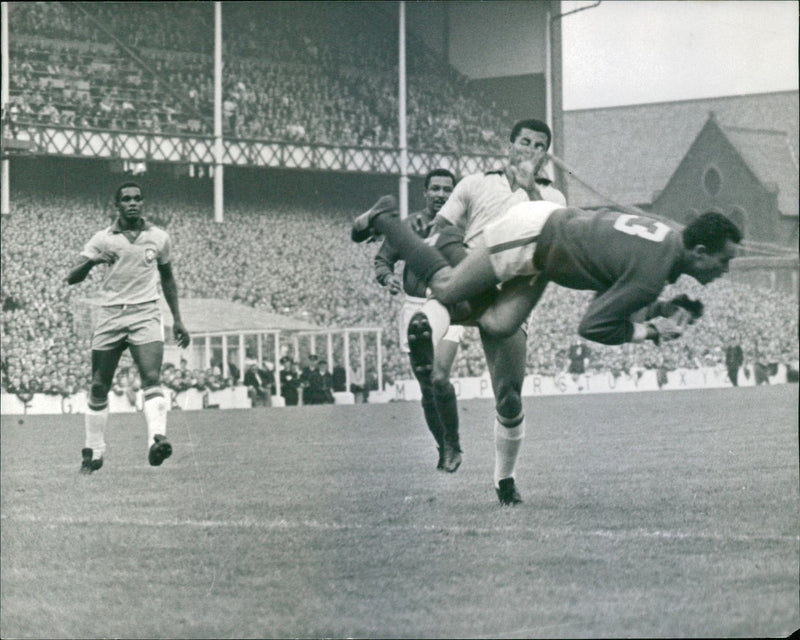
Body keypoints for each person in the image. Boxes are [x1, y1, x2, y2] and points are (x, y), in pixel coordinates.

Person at [353, 198, 741, 504]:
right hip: (536, 235)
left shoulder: (667, 243)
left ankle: (447, 308)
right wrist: (652, 330)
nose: (725, 271)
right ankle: (387, 219)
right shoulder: (655, 270)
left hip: (546, 245)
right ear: (702, 251)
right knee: (449, 285)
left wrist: (655, 316)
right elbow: (593, 327)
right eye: (724, 261)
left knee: (499, 324)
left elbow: (619, 282)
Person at [358, 119, 566, 505]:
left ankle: (505, 480)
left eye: (539, 146)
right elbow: (441, 229)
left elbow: (552, 236)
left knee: (509, 397)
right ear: (510, 145)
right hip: (470, 275)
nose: (530, 150)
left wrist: (529, 187)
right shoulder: (474, 183)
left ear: (544, 155)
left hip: (512, 292)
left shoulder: (553, 198)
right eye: (524, 142)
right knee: (437, 308)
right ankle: (428, 335)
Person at [66, 181, 190, 474]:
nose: (132, 203)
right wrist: (94, 261)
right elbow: (72, 277)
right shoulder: (103, 239)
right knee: (99, 385)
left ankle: (155, 441)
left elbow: (168, 278)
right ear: (117, 205)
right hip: (110, 315)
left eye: (137, 198)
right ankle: (94, 451)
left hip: (146, 313)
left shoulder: (159, 237)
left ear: (142, 203)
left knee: (151, 377)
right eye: (126, 199)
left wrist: (178, 319)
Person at [374, 168, 465, 472]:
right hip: (414, 307)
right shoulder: (409, 225)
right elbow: (382, 259)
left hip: (449, 306)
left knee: (440, 378)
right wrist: (387, 278)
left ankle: (452, 443)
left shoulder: (460, 227)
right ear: (425, 192)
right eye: (435, 189)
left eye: (447, 190)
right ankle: (443, 447)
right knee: (426, 385)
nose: (441, 194)